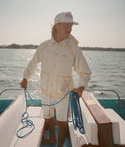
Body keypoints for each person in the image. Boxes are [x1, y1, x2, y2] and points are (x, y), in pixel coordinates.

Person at [20, 11, 91, 147]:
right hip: (46, 91)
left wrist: (81, 87)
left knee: (62, 122)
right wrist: (25, 78)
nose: (70, 29)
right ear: (57, 26)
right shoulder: (44, 46)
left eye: (71, 26)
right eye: (67, 25)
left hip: (63, 93)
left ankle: (59, 145)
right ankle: (52, 138)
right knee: (47, 117)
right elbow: (32, 63)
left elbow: (85, 72)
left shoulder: (74, 49)